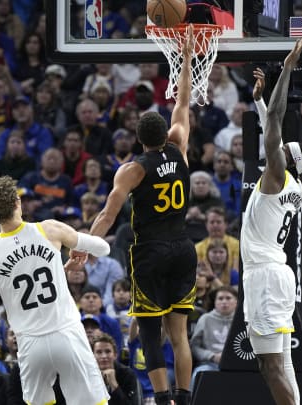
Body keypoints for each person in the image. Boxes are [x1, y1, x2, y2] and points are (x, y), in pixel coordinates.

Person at [88, 24, 196, 405]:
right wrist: (184, 60)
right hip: (183, 247)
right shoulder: (180, 148)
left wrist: (84, 245)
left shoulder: (133, 170)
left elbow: (107, 214)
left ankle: (163, 399)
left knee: (151, 334)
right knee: (179, 334)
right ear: (166, 133)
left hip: (150, 253)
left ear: (138, 139)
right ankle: (184, 399)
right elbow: (182, 102)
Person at [0, 175, 111, 405]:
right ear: (18, 203)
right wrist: (80, 251)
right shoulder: (48, 229)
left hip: (30, 344)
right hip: (66, 333)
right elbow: (104, 248)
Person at [240, 38, 302, 405]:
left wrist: (287, 69)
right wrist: (259, 100)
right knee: (285, 362)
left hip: (265, 275)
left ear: (283, 160)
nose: (274, 149)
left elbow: (276, 123)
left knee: (271, 367)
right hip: (278, 273)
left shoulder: (276, 178)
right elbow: (270, 125)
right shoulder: (291, 185)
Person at [93, 333, 140, 405]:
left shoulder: (127, 374)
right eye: (99, 352)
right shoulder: (88, 375)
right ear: (92, 356)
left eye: (108, 351)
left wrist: (114, 385)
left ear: (115, 355)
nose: (104, 356)